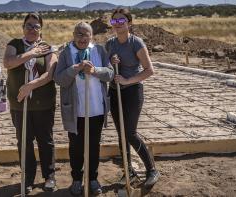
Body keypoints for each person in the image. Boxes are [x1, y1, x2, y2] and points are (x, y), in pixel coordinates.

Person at [54, 22, 114, 196]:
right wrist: (74, 69)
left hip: (96, 109)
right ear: (73, 35)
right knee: (76, 148)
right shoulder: (66, 53)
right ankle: (77, 179)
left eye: (86, 34)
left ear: (91, 36)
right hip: (76, 111)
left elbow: (110, 74)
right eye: (78, 34)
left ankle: (93, 179)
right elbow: (59, 79)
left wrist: (95, 70)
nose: (82, 38)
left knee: (94, 147)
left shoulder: (99, 51)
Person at [105, 8, 160, 188]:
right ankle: (129, 172)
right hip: (114, 92)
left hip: (132, 91)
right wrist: (110, 63)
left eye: (121, 21)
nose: (117, 24)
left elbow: (149, 70)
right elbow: (105, 68)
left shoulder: (136, 43)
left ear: (129, 23)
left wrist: (128, 80)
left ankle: (152, 170)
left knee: (130, 133)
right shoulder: (110, 43)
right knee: (121, 134)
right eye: (114, 21)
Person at [3, 13, 57, 194]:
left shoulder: (48, 48)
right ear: (23, 27)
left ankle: (49, 175)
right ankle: (28, 177)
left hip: (43, 104)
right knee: (24, 142)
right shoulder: (14, 45)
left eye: (36, 26)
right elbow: (8, 63)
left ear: (41, 29)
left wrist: (30, 86)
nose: (32, 29)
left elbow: (49, 75)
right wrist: (30, 54)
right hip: (20, 104)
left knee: (45, 140)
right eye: (29, 25)